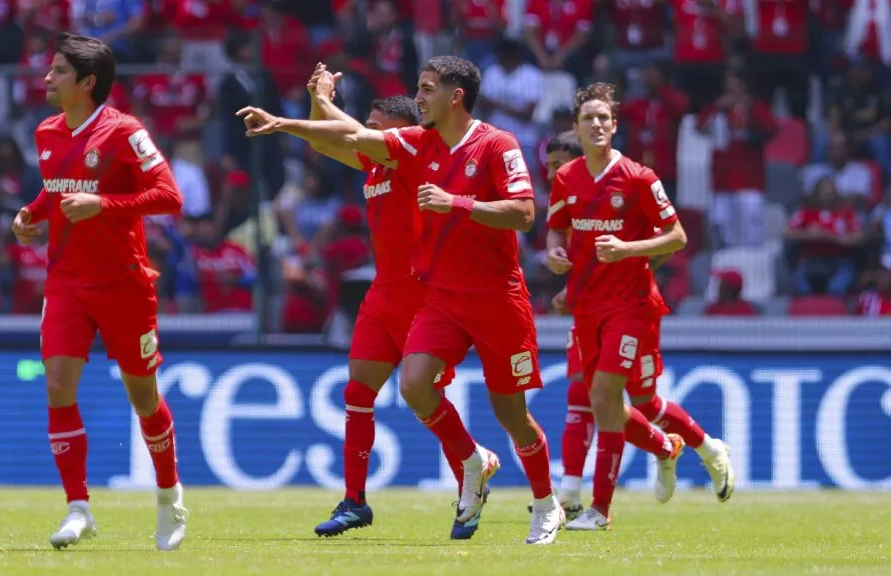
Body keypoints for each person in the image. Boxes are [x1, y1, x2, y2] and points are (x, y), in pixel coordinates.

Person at [238, 55, 565, 545]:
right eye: (418, 88)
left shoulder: (498, 143)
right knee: (411, 384)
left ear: (455, 96)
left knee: (511, 415)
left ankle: (545, 503)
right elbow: (349, 137)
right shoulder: (415, 145)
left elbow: (523, 213)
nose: (419, 96)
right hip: (441, 298)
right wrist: (285, 119)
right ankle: (464, 464)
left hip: (497, 298)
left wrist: (456, 203)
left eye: (427, 89)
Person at [10, 32, 187, 551]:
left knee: (144, 398)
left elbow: (169, 196)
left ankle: (169, 496)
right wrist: (30, 214)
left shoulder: (125, 132)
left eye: (58, 71)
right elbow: (57, 189)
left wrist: (103, 204)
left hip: (123, 286)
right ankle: (77, 508)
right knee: (57, 385)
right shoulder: (46, 131)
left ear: (87, 83)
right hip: (65, 282)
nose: (47, 78)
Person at [301, 65, 481, 539]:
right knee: (358, 394)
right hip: (382, 296)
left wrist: (322, 103)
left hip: (424, 299)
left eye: (376, 127)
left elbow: (346, 133)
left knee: (425, 397)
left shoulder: (412, 157)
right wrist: (319, 97)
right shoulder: (375, 165)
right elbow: (323, 141)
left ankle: (471, 471)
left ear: (400, 132)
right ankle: (355, 501)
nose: (366, 133)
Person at [546, 82, 725, 531]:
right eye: (589, 118)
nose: (597, 124)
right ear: (577, 126)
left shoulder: (640, 177)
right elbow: (557, 230)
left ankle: (598, 509)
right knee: (626, 400)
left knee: (604, 395)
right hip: (586, 308)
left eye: (604, 118)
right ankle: (680, 449)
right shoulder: (566, 178)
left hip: (631, 305)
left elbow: (678, 237)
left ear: (615, 125)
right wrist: (554, 254)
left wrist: (627, 249)